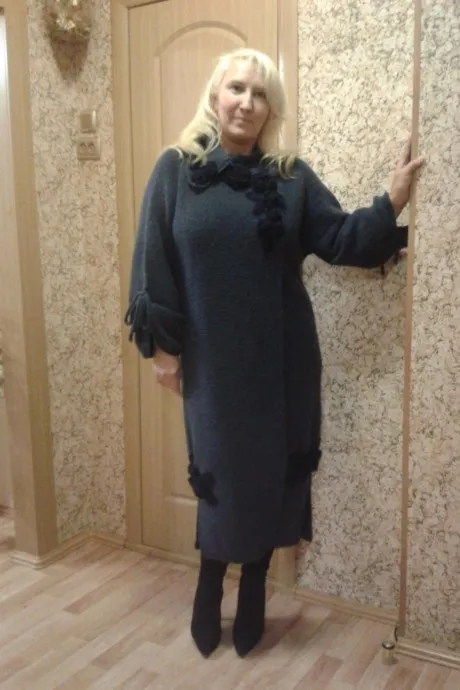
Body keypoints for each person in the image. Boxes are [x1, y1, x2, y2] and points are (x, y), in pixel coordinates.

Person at [124, 47, 423, 658]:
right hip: (214, 365)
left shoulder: (291, 176)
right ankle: (210, 585)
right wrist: (163, 351)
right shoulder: (175, 169)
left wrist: (391, 201)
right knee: (220, 476)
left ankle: (255, 585)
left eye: (260, 94)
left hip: (284, 361)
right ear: (215, 97)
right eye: (237, 88)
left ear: (271, 109)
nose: (247, 103)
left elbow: (339, 239)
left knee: (271, 473)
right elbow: (153, 259)